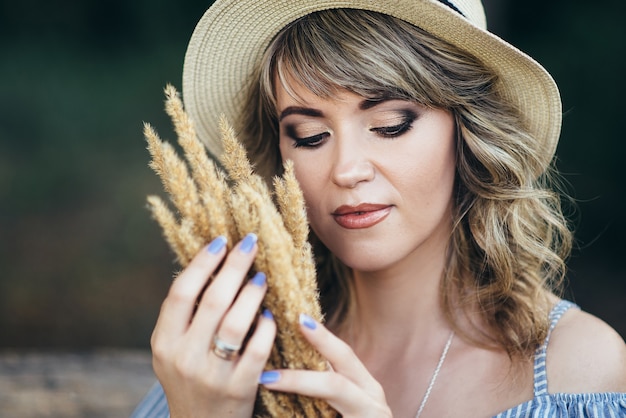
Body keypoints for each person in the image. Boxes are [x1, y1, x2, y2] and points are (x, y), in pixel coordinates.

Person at [133, 0, 626, 417]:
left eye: (390, 124)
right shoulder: (225, 356)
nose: (346, 170)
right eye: (309, 135)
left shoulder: (578, 369)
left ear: (468, 132)